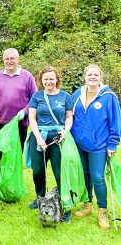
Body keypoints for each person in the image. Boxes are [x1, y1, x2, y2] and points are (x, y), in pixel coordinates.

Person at [71, 64, 121, 229]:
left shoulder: (108, 96)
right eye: (89, 75)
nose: (92, 77)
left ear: (100, 77)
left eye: (96, 75)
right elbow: (70, 114)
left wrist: (112, 143)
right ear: (85, 76)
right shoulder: (78, 93)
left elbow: (115, 122)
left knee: (98, 177)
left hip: (99, 145)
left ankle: (103, 210)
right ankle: (88, 204)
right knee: (85, 174)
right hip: (79, 143)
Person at [27, 66, 73, 223]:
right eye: (45, 79)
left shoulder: (66, 96)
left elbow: (69, 117)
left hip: (57, 138)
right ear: (41, 80)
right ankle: (40, 198)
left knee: (60, 172)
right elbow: (32, 118)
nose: (48, 82)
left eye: (51, 78)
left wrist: (65, 131)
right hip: (39, 136)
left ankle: (65, 204)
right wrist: (38, 137)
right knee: (38, 171)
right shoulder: (37, 96)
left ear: (57, 79)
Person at [0, 48, 37, 166]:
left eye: (12, 58)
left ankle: (11, 182)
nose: (9, 61)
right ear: (3, 60)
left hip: (19, 124)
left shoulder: (27, 76)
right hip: (0, 122)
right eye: (6, 59)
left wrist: (25, 112)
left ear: (18, 59)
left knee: (14, 156)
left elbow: (35, 99)